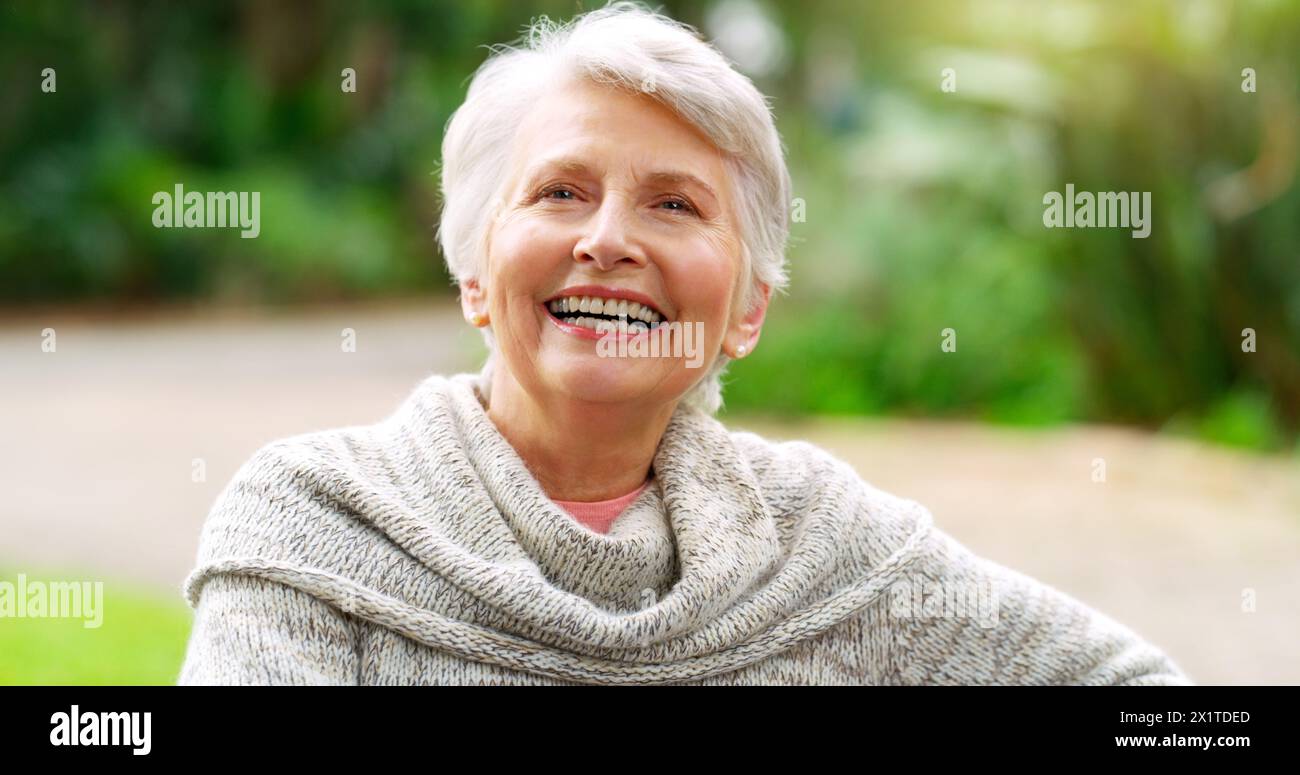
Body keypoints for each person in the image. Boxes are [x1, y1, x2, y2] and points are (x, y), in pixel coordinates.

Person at [177, 2, 1193, 685]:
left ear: (747, 310)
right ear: (475, 270)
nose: (608, 240)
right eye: (560, 192)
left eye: (673, 203)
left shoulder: (826, 546)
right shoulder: (317, 523)